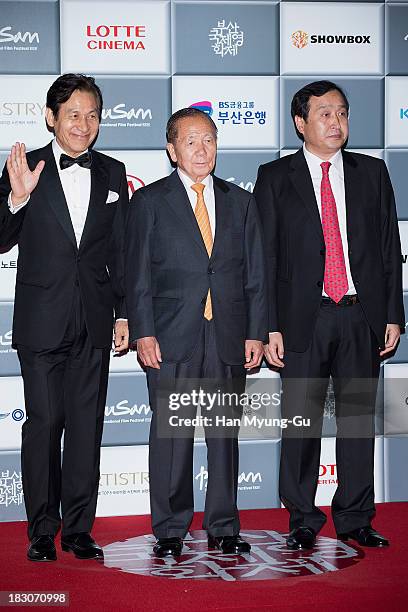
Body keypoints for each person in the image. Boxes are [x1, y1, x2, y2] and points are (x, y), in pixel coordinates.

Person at [254, 80, 404, 550]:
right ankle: (301, 515)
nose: (335, 122)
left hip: (361, 316)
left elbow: (387, 248)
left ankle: (356, 516)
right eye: (324, 113)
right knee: (302, 424)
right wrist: (269, 325)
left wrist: (393, 315)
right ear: (301, 123)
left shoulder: (372, 173)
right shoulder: (275, 177)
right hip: (304, 320)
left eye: (341, 113)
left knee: (358, 422)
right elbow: (265, 257)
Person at [125, 107, 267, 557]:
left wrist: (255, 333)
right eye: (190, 141)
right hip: (170, 338)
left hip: (226, 335)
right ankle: (170, 528)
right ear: (171, 149)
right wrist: (143, 332)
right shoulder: (149, 202)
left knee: (224, 436)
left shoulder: (241, 202)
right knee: (171, 436)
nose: (202, 149)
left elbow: (256, 277)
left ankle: (224, 526)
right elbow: (138, 276)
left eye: (209, 139)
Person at [0, 74, 129, 562]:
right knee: (43, 424)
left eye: (93, 114)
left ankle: (77, 529)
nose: (84, 123)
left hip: (94, 322)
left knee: (84, 428)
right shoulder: (24, 166)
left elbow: (121, 250)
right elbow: (1, 236)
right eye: (73, 113)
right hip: (41, 320)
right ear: (51, 117)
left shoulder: (114, 173)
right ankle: (40, 530)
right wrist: (18, 198)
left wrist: (124, 314)